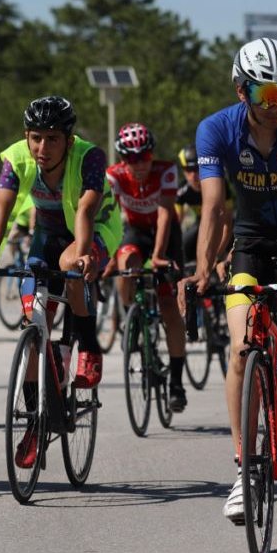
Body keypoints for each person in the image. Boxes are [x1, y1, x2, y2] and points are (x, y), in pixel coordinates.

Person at [178, 37, 277, 523]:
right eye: (265, 94)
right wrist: (204, 270)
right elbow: (212, 207)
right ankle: (245, 471)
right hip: (248, 237)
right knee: (241, 350)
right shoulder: (215, 130)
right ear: (241, 90)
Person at [0, 96, 122, 469]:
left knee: (70, 265)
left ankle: (87, 346)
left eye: (52, 138)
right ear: (26, 136)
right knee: (33, 317)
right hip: (49, 232)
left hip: (96, 229)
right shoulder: (16, 158)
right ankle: (36, 422)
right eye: (36, 137)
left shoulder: (89, 157)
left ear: (68, 140)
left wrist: (84, 255)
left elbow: (85, 210)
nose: (42, 147)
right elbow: (1, 210)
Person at [106, 123, 189, 411]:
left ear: (152, 154)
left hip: (166, 234)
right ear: (122, 159)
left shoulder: (165, 170)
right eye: (130, 159)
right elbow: (110, 218)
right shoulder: (114, 175)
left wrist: (158, 256)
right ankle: (131, 315)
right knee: (126, 262)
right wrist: (108, 255)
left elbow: (166, 213)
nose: (138, 164)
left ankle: (177, 382)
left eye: (144, 156)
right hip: (136, 231)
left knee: (169, 306)